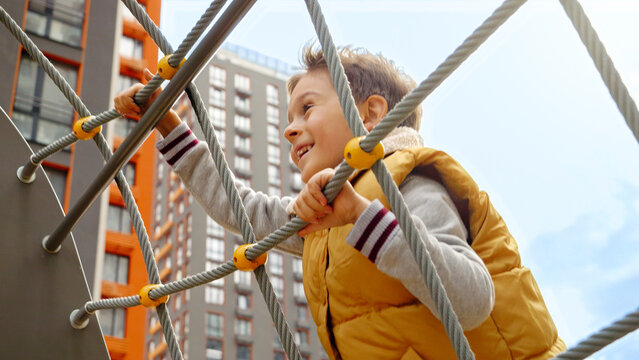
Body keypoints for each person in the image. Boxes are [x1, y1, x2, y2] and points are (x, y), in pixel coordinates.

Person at [115, 47, 565, 359]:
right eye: (288, 120)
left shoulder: (409, 182)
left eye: (306, 110)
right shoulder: (325, 214)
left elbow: (471, 299)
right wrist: (170, 127)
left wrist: (359, 216)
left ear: (369, 114)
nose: (290, 130)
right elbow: (242, 209)